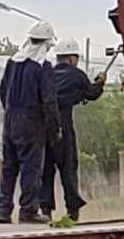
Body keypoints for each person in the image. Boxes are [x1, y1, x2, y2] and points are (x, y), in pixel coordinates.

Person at [0, 21, 60, 225]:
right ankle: (28, 210)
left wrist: (10, 112)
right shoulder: (43, 67)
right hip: (32, 122)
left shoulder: (12, 63)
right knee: (31, 167)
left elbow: (3, 91)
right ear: (46, 44)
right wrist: (54, 128)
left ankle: (3, 210)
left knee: (9, 166)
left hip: (10, 120)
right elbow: (49, 100)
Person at [40, 37, 105, 222]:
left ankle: (45, 209)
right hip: (63, 125)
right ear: (71, 58)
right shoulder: (76, 75)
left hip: (43, 127)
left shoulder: (48, 74)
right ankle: (72, 210)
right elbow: (91, 94)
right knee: (67, 168)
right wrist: (100, 81)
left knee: (45, 170)